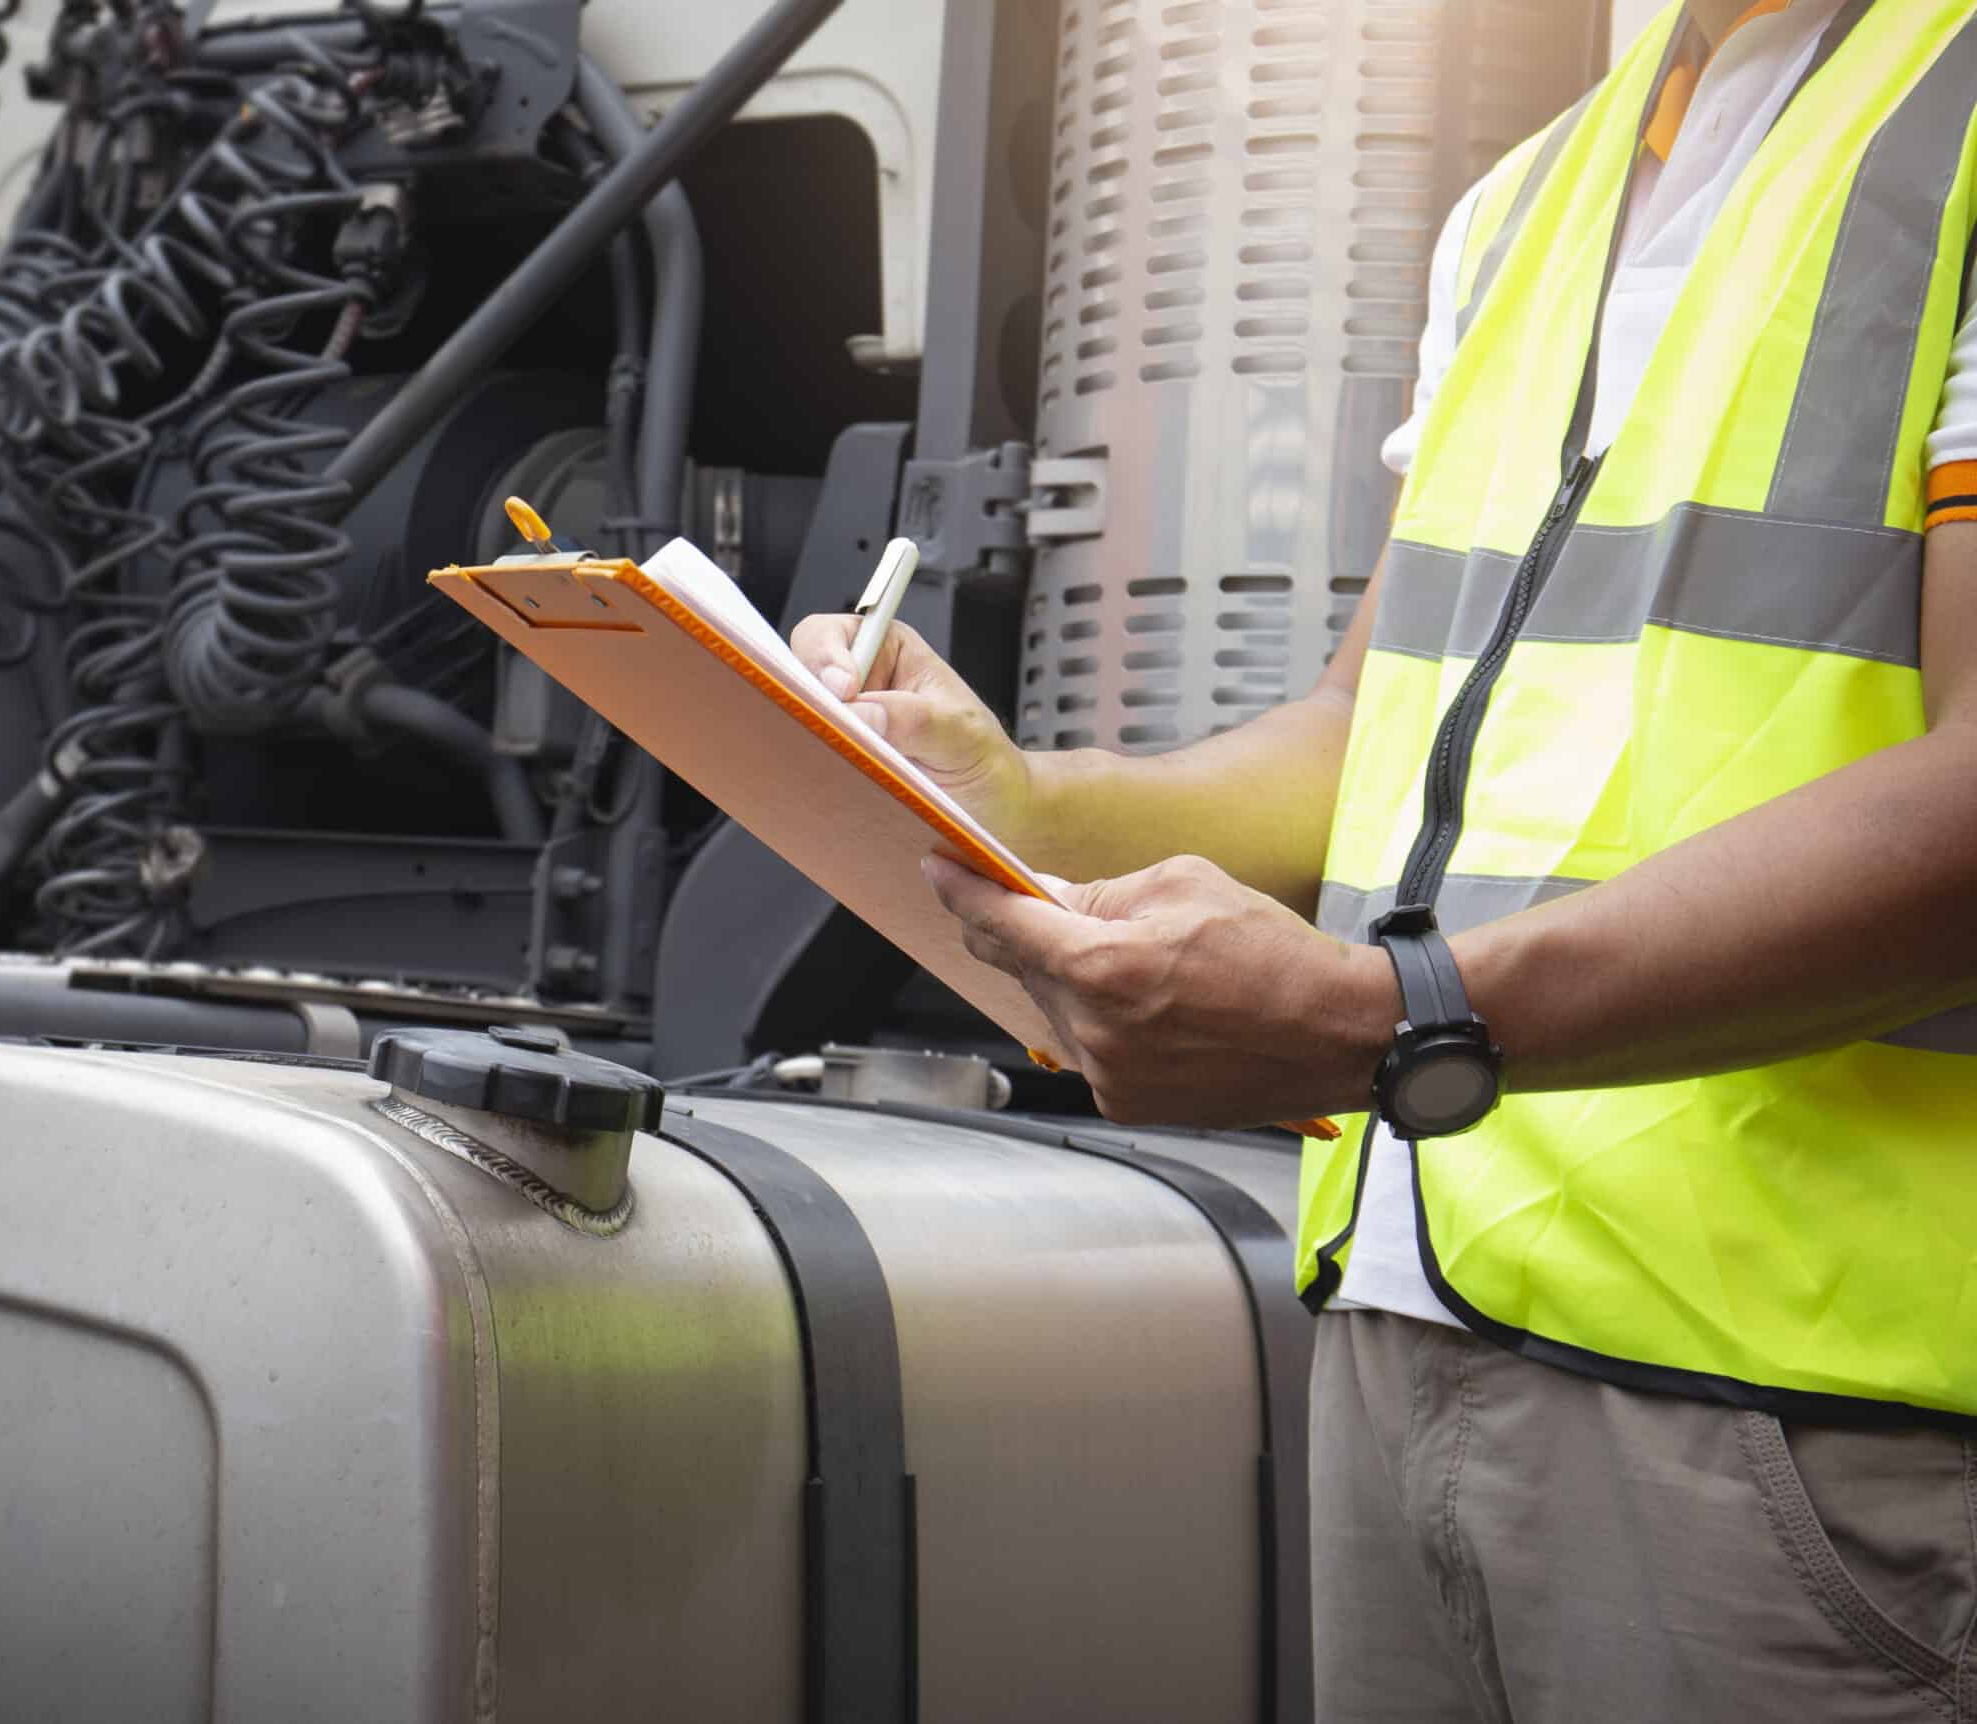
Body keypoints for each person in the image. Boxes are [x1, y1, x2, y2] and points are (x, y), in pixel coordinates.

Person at [795, 2, 1977, 1717]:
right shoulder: (1529, 201)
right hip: (1410, 1336)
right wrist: (1028, 800)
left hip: (1800, 1415)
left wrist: (1395, 1017)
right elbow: (1375, 730)